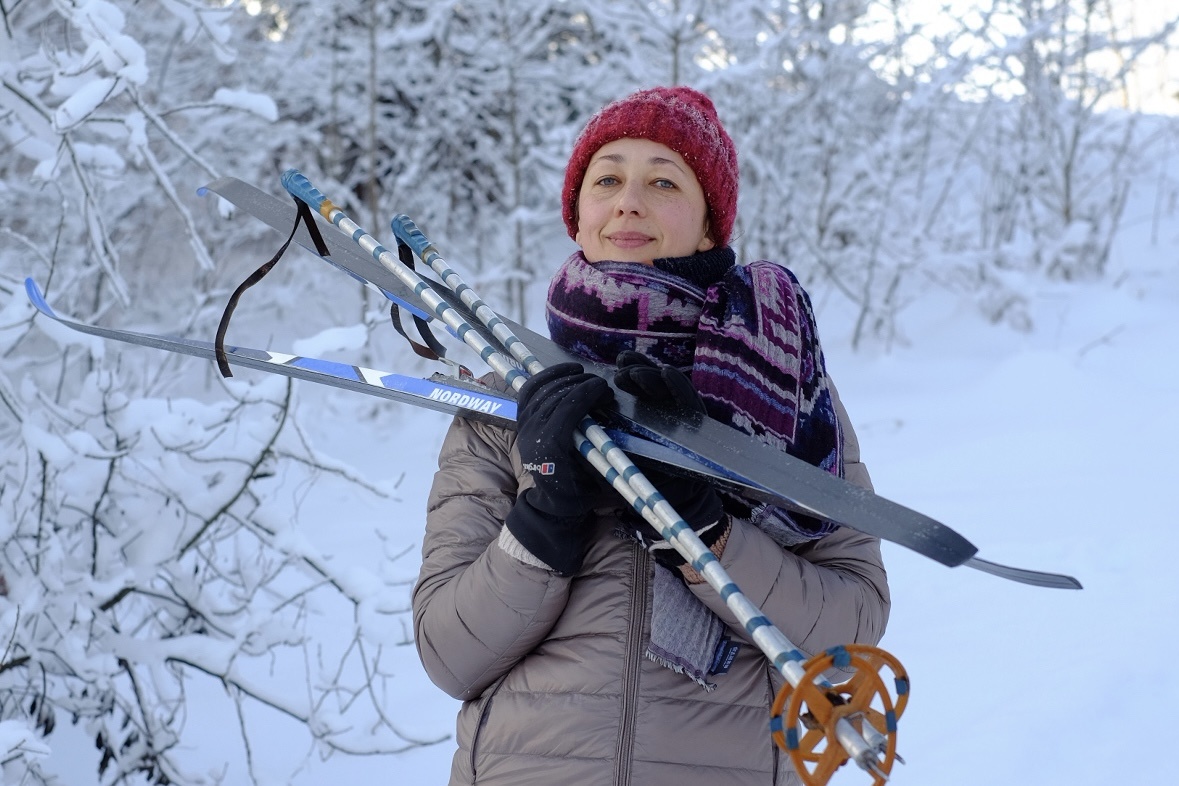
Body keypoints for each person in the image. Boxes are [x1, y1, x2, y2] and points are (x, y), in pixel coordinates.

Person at [412, 86, 890, 786]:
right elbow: (449, 655)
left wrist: (707, 530)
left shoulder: (786, 395)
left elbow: (850, 628)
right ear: (578, 219)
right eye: (606, 179)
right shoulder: (506, 403)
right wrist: (543, 517)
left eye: (663, 180)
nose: (628, 201)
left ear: (707, 228)